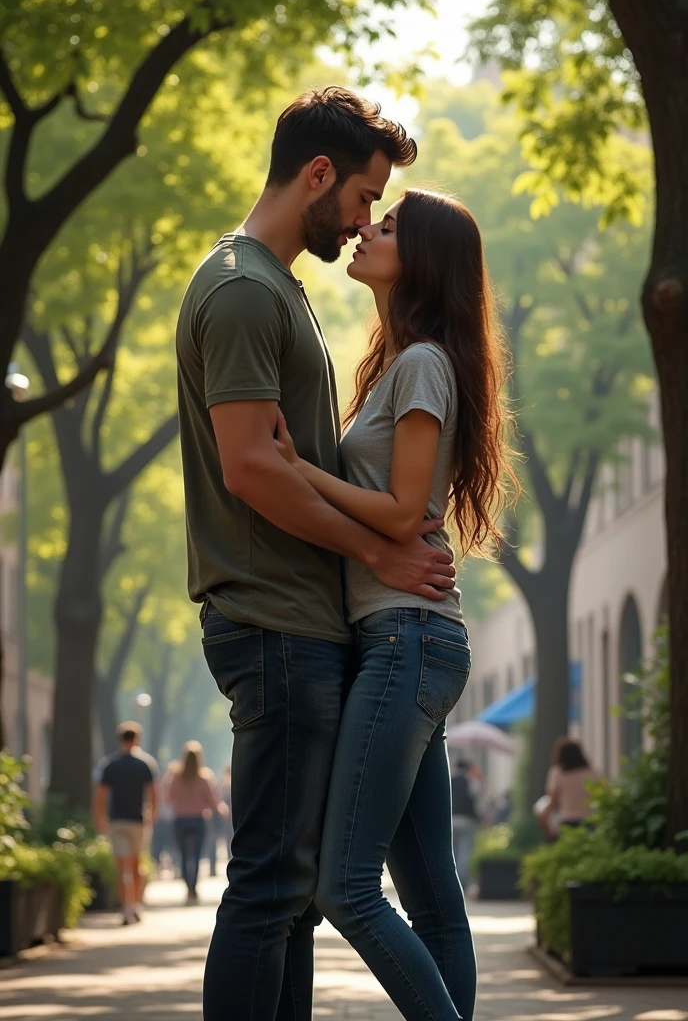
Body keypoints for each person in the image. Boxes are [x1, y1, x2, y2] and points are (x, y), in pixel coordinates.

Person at [177, 87, 456, 1021]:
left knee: (293, 895)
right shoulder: (246, 288)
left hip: (302, 624)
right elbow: (254, 468)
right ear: (320, 175)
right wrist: (376, 558)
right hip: (274, 621)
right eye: (366, 197)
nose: (367, 218)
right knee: (271, 891)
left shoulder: (278, 289)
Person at [275, 188, 516, 1020]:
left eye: (387, 225)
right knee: (434, 899)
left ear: (422, 260)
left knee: (346, 887)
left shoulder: (421, 365)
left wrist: (297, 470)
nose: (365, 228)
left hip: (404, 639)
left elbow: (407, 509)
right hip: (413, 640)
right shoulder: (401, 362)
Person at [94, 721, 159, 926]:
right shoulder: (145, 763)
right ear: (137, 739)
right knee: (137, 863)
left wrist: (100, 818)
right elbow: (153, 792)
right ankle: (136, 904)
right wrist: (153, 814)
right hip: (138, 821)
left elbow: (101, 795)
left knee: (122, 867)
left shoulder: (110, 764)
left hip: (117, 821)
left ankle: (126, 909)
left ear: (120, 739)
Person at [167, 741, 228, 904]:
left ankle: (188, 887)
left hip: (180, 820)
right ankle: (194, 887)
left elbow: (168, 797)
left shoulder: (175, 776)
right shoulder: (204, 777)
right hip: (199, 819)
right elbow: (213, 801)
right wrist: (220, 809)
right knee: (197, 855)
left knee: (184, 855)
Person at [538, 737, 598, 838]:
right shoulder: (593, 774)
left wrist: (544, 821)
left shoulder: (557, 774)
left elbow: (553, 801)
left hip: (568, 821)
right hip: (591, 820)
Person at [451, 759, 481, 890]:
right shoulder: (471, 781)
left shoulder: (450, 780)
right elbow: (477, 799)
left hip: (452, 819)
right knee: (465, 852)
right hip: (467, 820)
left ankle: (451, 880)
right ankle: (461, 883)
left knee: (453, 852)